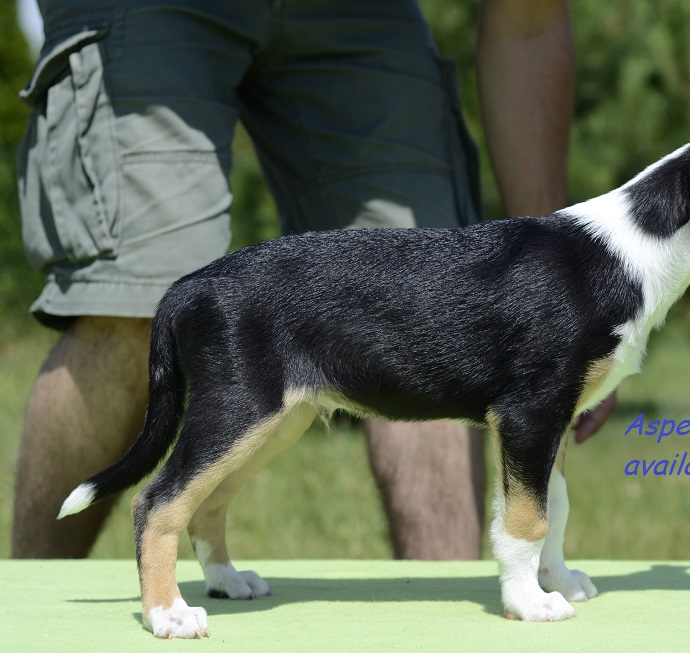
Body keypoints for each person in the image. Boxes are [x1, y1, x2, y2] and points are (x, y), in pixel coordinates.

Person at [12, 0, 615, 560]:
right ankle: (28, 603)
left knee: (440, 314)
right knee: (130, 302)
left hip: (358, 13)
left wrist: (561, 320)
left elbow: (528, 22)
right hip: (152, 8)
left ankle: (440, 605)